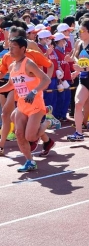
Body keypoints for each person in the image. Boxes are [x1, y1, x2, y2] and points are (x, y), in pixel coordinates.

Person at [0, 36, 51, 172]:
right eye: (9, 47)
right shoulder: (12, 66)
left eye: (13, 47)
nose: (10, 49)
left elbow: (45, 79)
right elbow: (10, 85)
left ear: (23, 49)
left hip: (35, 104)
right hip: (22, 105)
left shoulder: (28, 63)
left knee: (30, 137)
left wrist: (33, 92)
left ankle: (47, 123)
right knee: (19, 133)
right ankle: (30, 161)